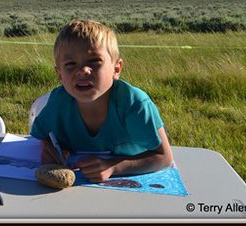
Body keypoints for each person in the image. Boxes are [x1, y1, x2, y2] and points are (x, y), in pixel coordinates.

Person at [30, 19, 173, 182]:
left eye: (94, 61)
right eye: (70, 64)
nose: (83, 71)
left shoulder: (134, 105)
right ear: (59, 74)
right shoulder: (58, 102)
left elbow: (164, 157)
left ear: (116, 69)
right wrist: (47, 147)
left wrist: (113, 167)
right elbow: (43, 135)